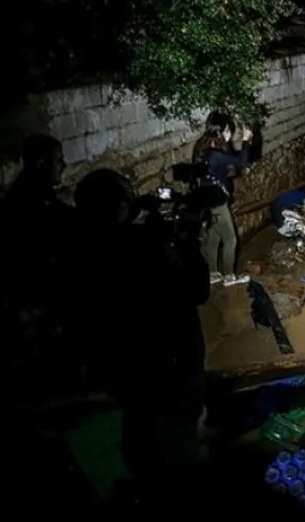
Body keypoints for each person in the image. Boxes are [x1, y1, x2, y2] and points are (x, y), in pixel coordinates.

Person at [69, 168, 209, 491]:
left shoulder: (77, 249)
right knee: (179, 446)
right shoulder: (142, 247)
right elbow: (198, 289)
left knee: (138, 432)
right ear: (121, 207)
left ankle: (143, 483)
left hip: (120, 369)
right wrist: (188, 241)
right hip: (169, 366)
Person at [0, 134, 75, 311]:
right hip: (31, 283)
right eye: (58, 160)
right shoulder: (28, 200)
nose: (64, 165)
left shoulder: (35, 189)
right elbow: (53, 232)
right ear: (41, 164)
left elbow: (62, 214)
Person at [193, 126, 254, 287]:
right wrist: (246, 140)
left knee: (214, 238)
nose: (229, 133)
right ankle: (229, 276)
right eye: (227, 131)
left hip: (206, 201)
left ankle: (212, 273)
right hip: (217, 204)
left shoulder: (203, 152)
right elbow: (242, 161)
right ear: (219, 133)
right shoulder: (216, 155)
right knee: (230, 239)